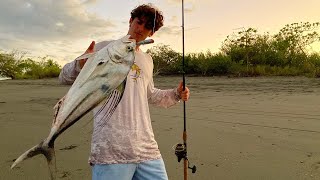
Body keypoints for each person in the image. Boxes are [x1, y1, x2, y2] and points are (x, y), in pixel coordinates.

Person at [59, 4, 190, 180]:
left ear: (151, 33)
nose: (140, 28)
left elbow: (150, 94)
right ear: (130, 21)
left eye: (147, 27)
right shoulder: (103, 48)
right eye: (139, 22)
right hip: (110, 150)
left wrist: (176, 94)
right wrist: (80, 65)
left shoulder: (147, 60)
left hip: (147, 149)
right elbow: (64, 77)